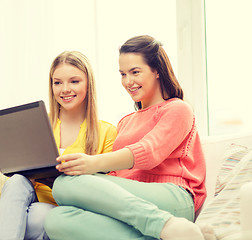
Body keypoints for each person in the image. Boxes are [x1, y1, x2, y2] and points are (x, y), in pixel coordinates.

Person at [44, 36, 216, 240]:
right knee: (56, 219)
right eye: (123, 74)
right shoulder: (125, 122)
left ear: (157, 71)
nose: (128, 82)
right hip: (133, 204)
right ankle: (172, 234)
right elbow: (117, 177)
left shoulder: (178, 109)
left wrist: (92, 164)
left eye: (135, 72)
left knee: (66, 184)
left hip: (174, 198)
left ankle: (164, 224)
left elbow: (149, 151)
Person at [0, 51, 117, 240]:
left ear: (88, 83)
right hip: (32, 203)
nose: (65, 89)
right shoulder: (39, 123)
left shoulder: (107, 132)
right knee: (17, 180)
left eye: (74, 81)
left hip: (69, 211)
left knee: (44, 218)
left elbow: (110, 188)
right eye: (57, 82)